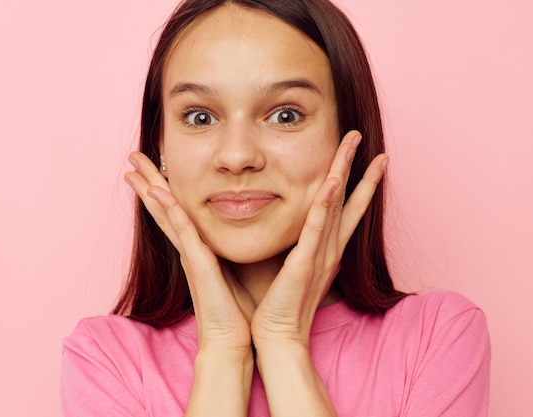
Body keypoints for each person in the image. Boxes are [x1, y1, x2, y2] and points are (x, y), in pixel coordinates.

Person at [61, 0, 491, 416]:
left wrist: (284, 344)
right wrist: (223, 353)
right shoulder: (107, 360)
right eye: (199, 117)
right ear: (161, 146)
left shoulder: (437, 337)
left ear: (348, 135)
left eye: (285, 115)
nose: (236, 156)